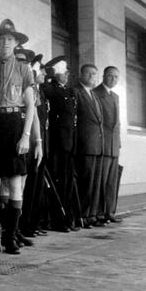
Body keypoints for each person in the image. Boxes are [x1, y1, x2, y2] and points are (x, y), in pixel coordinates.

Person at [0, 19, 35, 255]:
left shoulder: (24, 69)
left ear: (16, 43)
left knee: (14, 182)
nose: (5, 42)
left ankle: (10, 237)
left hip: (14, 124)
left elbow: (31, 106)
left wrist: (25, 136)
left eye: (9, 39)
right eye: (1, 39)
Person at [43, 56, 80, 232]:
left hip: (68, 143)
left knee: (66, 183)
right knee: (56, 182)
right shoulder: (50, 89)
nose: (67, 75)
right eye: (64, 72)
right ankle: (57, 220)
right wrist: (49, 75)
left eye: (67, 72)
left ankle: (67, 218)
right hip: (56, 143)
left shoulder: (70, 91)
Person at [72, 63, 104, 228]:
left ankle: (89, 214)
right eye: (89, 73)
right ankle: (81, 216)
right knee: (84, 182)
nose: (93, 76)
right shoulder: (76, 92)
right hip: (84, 145)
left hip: (96, 145)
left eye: (95, 74)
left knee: (93, 183)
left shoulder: (94, 95)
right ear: (81, 75)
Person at [20, 53, 47, 239]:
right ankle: (16, 229)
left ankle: (23, 227)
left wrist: (38, 142)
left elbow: (35, 116)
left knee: (26, 185)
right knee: (14, 185)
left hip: (28, 139)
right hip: (13, 135)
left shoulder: (32, 88)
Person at [93, 66, 123, 223]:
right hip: (102, 143)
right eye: (110, 76)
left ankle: (109, 212)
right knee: (101, 180)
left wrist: (119, 142)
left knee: (112, 181)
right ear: (103, 76)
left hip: (114, 144)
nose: (113, 79)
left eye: (116, 77)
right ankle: (98, 212)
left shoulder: (116, 96)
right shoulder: (96, 93)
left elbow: (117, 122)